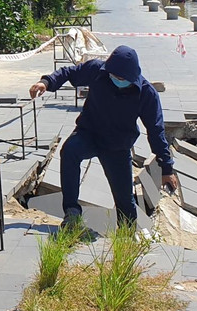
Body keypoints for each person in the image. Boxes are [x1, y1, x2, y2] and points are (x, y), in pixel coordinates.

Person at [29, 45, 177, 228]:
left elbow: (156, 131)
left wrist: (167, 168)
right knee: (69, 151)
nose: (116, 80)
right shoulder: (97, 71)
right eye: (113, 76)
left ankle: (127, 237)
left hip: (117, 146)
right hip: (89, 134)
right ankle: (72, 213)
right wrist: (46, 82)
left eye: (121, 78)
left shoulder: (146, 94)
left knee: (125, 200)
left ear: (132, 76)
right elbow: (69, 72)